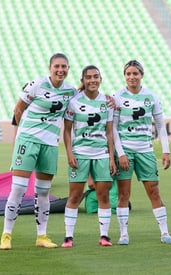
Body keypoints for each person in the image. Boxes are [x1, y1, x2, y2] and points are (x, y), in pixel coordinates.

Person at [0, 53, 77, 250]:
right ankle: (6, 235)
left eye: (64, 66)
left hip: (50, 145)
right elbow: (18, 109)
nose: (60, 70)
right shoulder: (37, 85)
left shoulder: (71, 91)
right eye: (57, 66)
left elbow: (85, 100)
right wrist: (18, 137)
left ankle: (41, 236)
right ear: (50, 68)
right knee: (18, 189)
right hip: (28, 141)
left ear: (68, 69)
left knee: (43, 192)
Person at [112, 60, 171, 245]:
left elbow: (160, 126)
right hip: (125, 151)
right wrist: (121, 153)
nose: (132, 77)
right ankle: (123, 234)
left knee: (154, 190)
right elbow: (113, 129)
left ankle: (165, 233)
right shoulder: (118, 97)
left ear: (141, 75)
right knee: (124, 194)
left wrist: (166, 151)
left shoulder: (151, 97)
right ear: (125, 76)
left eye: (135, 73)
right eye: (128, 74)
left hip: (145, 150)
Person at [61, 65, 117, 248]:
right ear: (83, 81)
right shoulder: (74, 101)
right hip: (80, 155)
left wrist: (110, 157)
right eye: (89, 77)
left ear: (100, 79)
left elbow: (109, 132)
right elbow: (67, 131)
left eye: (96, 77)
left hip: (101, 154)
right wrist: (69, 153)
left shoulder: (107, 103)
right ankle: (68, 237)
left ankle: (104, 236)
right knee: (75, 196)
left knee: (103, 195)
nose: (92, 80)